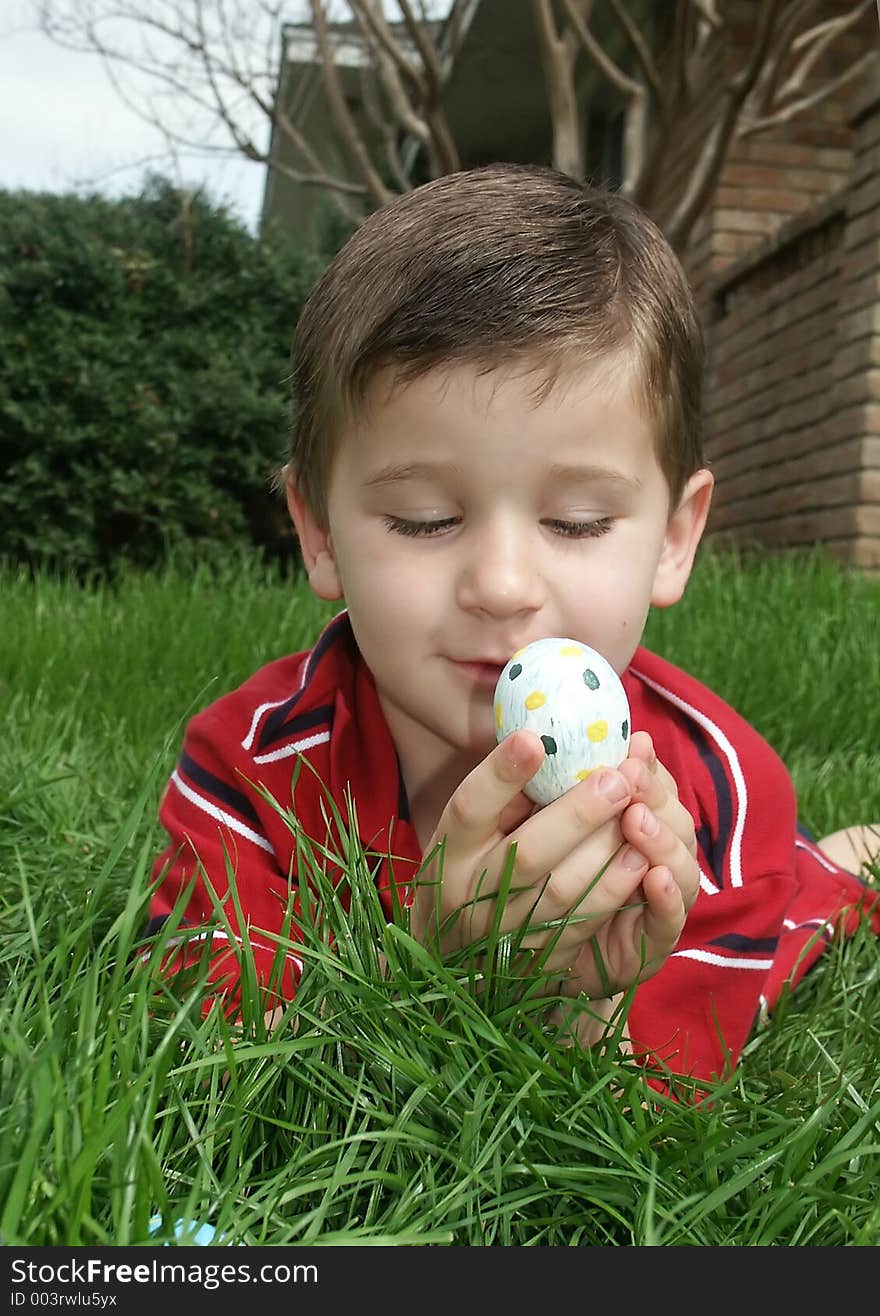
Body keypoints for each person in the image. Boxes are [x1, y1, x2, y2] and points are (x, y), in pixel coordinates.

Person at [146, 163, 879, 1088]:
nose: (500, 585)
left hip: (760, 876)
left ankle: (841, 861)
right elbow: (194, 1065)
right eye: (423, 519)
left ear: (674, 539)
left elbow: (654, 1130)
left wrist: (582, 1007)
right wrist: (424, 969)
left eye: (576, 522)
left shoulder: (712, 805)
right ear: (320, 533)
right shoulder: (248, 769)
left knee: (821, 897)